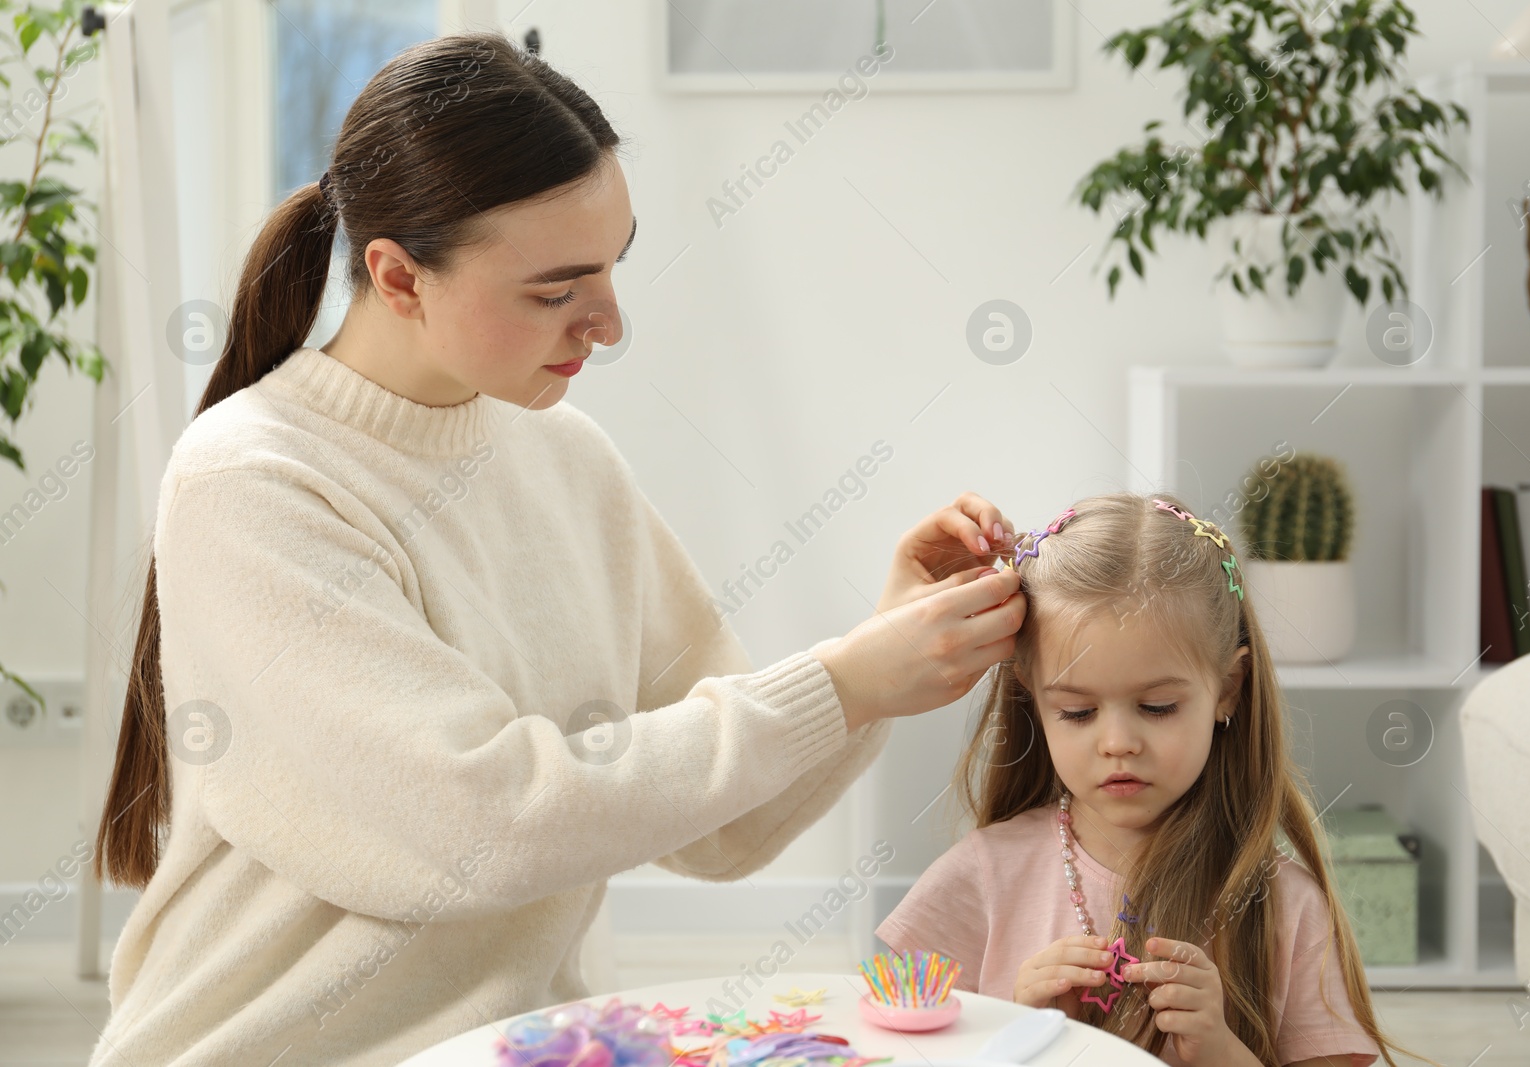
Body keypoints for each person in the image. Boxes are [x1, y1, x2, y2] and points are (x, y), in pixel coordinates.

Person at [88, 32, 1026, 1067]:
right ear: (398, 278)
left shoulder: (564, 455)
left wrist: (879, 660)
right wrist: (841, 682)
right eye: (555, 288)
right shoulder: (253, 481)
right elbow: (479, 824)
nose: (610, 323)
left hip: (529, 1045)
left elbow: (723, 824)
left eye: (615, 264)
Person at [876, 492, 1424, 1067]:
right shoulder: (984, 875)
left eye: (1158, 706)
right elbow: (895, 1047)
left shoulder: (1283, 905)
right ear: (1031, 698)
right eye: (1077, 712)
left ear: (1228, 689)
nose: (1118, 743)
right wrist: (1018, 1029)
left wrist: (1219, 1052)